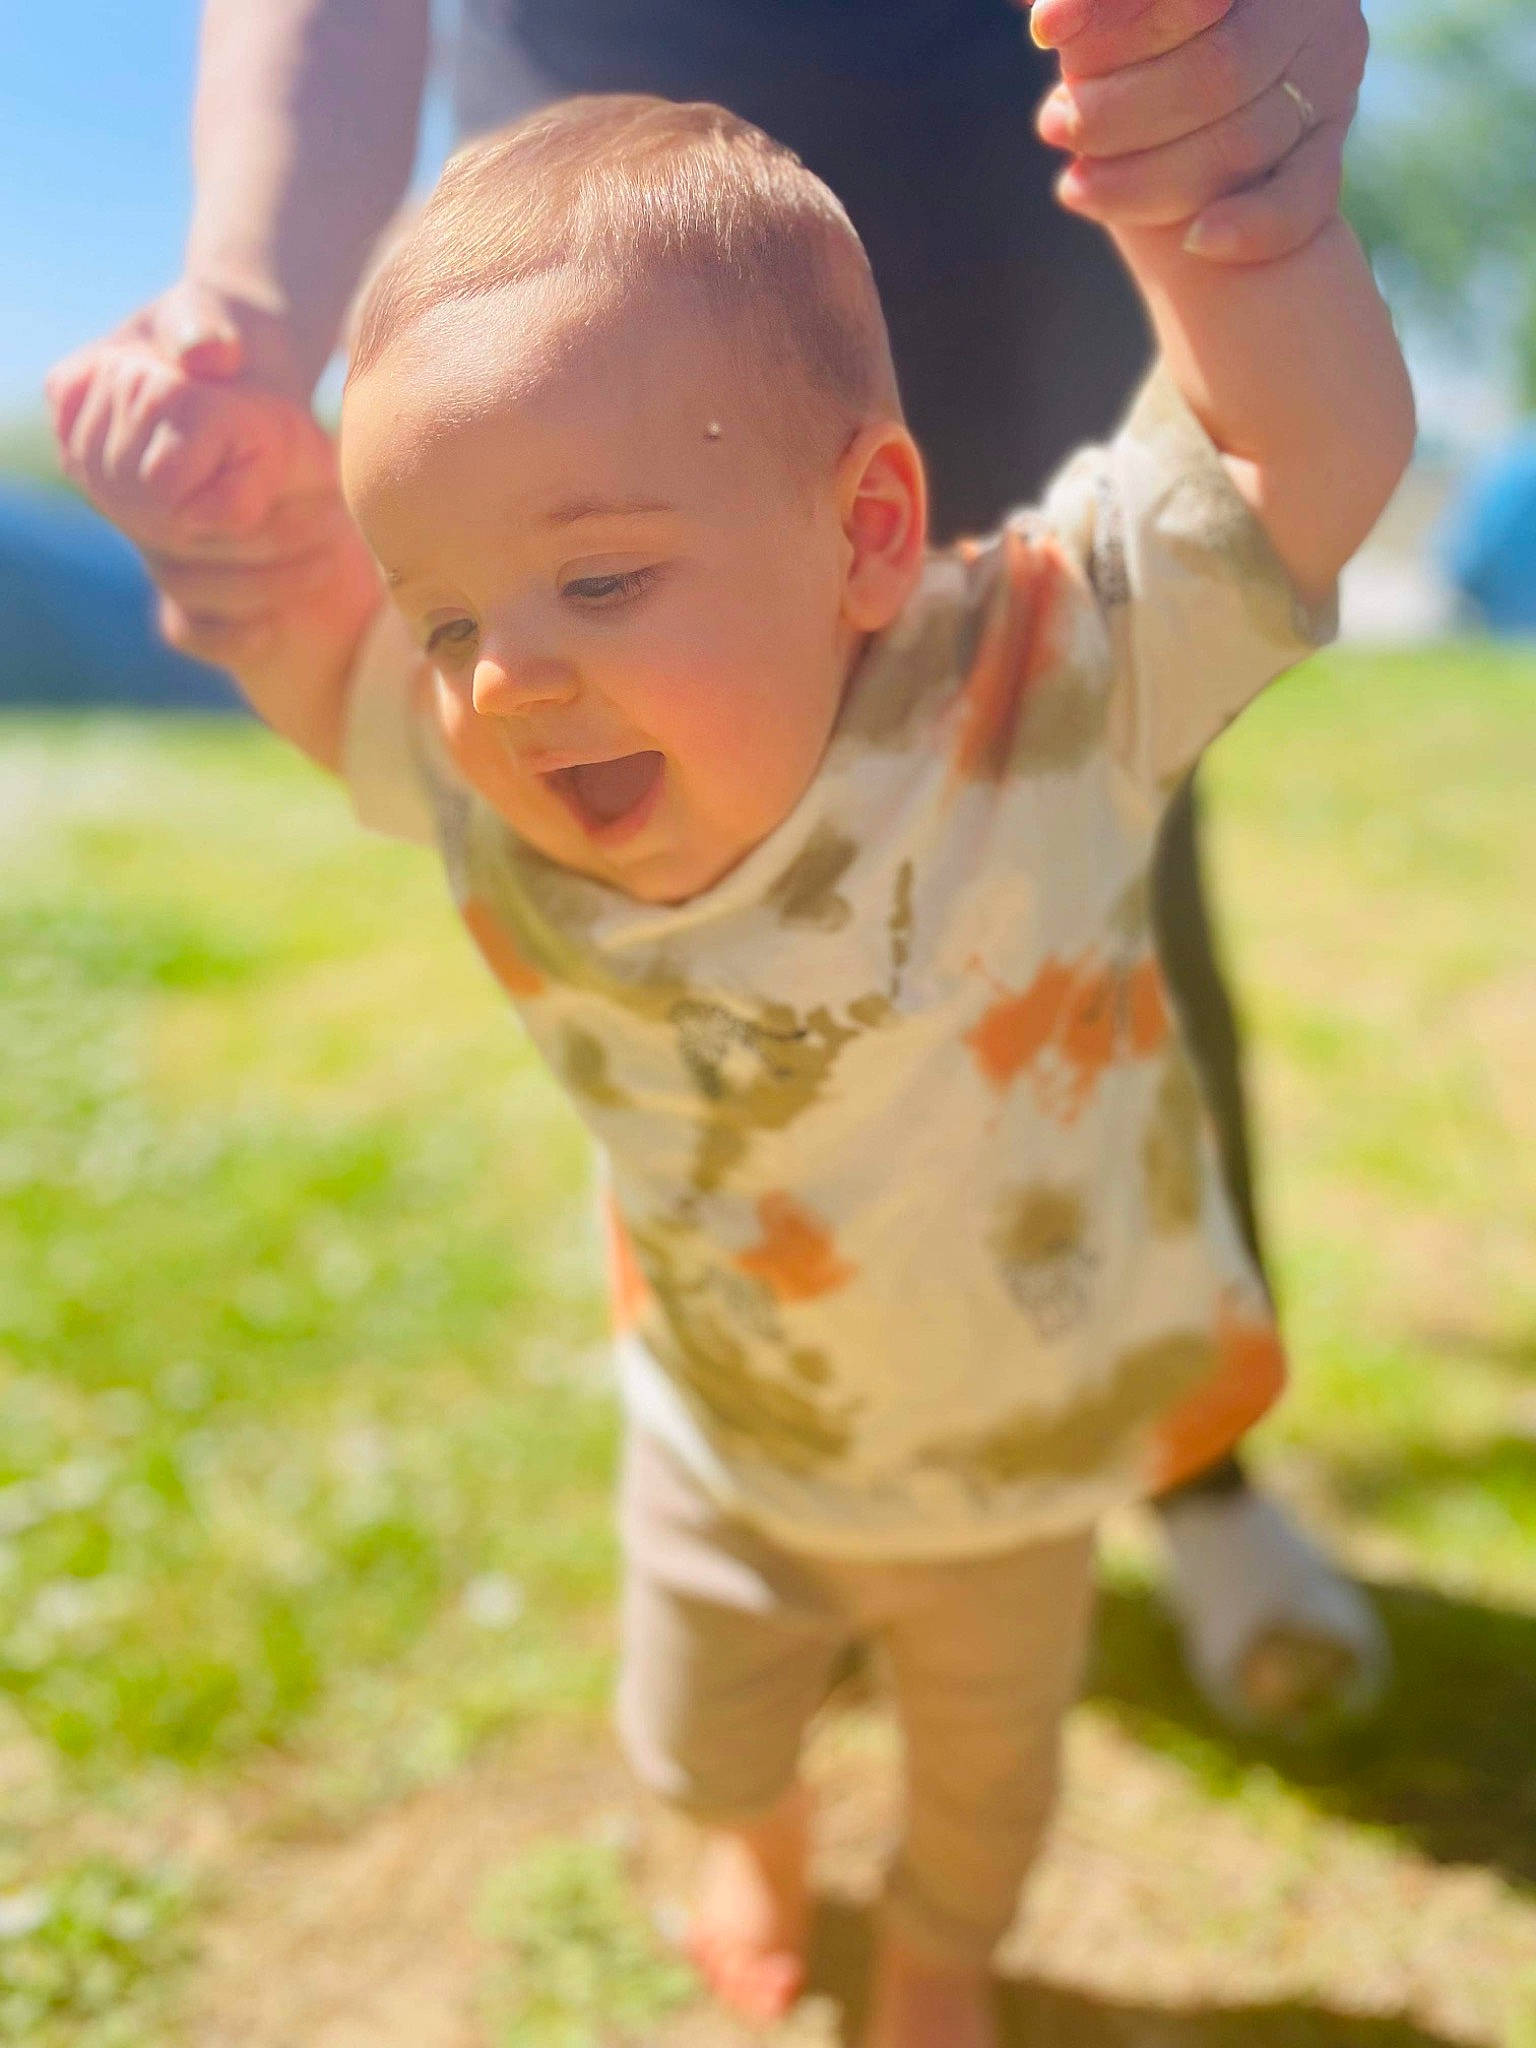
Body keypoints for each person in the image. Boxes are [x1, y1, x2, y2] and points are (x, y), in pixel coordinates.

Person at [52, 45, 1413, 2046]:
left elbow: (1308, 468)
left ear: (870, 529)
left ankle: (943, 1946)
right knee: (698, 1732)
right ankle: (743, 1841)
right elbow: (305, 637)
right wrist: (220, 488)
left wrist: (1220, 216)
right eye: (450, 617)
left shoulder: (1040, 678)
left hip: (1020, 1457)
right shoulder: (478, 770)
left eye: (599, 576)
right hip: (726, 1446)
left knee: (988, 1772)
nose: (507, 674)